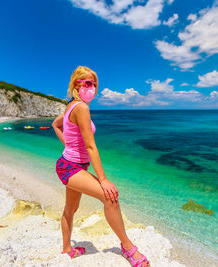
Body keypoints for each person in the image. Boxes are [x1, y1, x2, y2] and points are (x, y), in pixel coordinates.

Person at [52, 66, 150, 266]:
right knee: (110, 197)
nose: (92, 88)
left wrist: (69, 146)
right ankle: (128, 248)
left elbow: (56, 125)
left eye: (95, 84)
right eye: (88, 83)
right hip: (71, 167)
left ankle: (67, 250)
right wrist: (103, 179)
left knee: (71, 209)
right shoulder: (81, 108)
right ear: (76, 85)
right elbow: (90, 145)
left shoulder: (70, 106)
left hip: (69, 164)